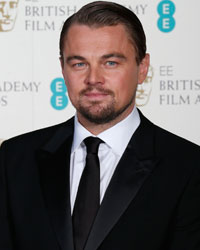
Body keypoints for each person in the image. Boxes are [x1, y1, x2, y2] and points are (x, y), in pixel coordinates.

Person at [0, 1, 200, 250]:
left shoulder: (189, 166)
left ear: (142, 67)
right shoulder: (14, 159)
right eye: (79, 64)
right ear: (62, 68)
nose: (93, 79)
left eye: (111, 63)